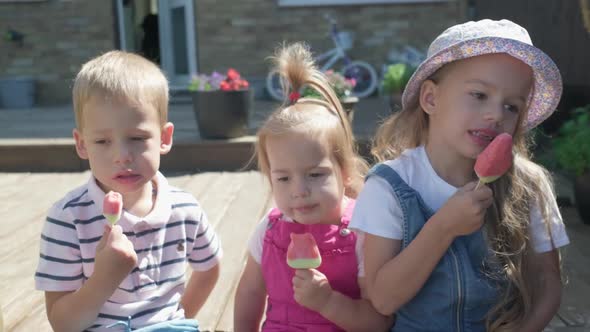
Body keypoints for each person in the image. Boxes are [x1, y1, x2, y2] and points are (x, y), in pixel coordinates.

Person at [350, 19, 570, 332]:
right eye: (479, 95)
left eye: (512, 106)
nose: (496, 114)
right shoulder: (389, 187)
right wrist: (443, 227)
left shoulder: (529, 185)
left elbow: (546, 280)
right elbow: (382, 300)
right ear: (430, 99)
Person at [34, 50, 222, 332]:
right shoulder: (68, 218)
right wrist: (104, 279)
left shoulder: (185, 209)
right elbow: (63, 323)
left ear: (165, 138)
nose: (122, 155)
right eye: (102, 141)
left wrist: (178, 320)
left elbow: (209, 267)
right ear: (82, 144)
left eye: (137, 138)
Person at [233, 42, 393, 331]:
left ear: (344, 172)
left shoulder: (363, 233)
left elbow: (379, 321)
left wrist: (328, 302)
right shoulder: (268, 231)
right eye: (283, 178)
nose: (299, 190)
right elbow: (250, 292)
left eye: (315, 175)